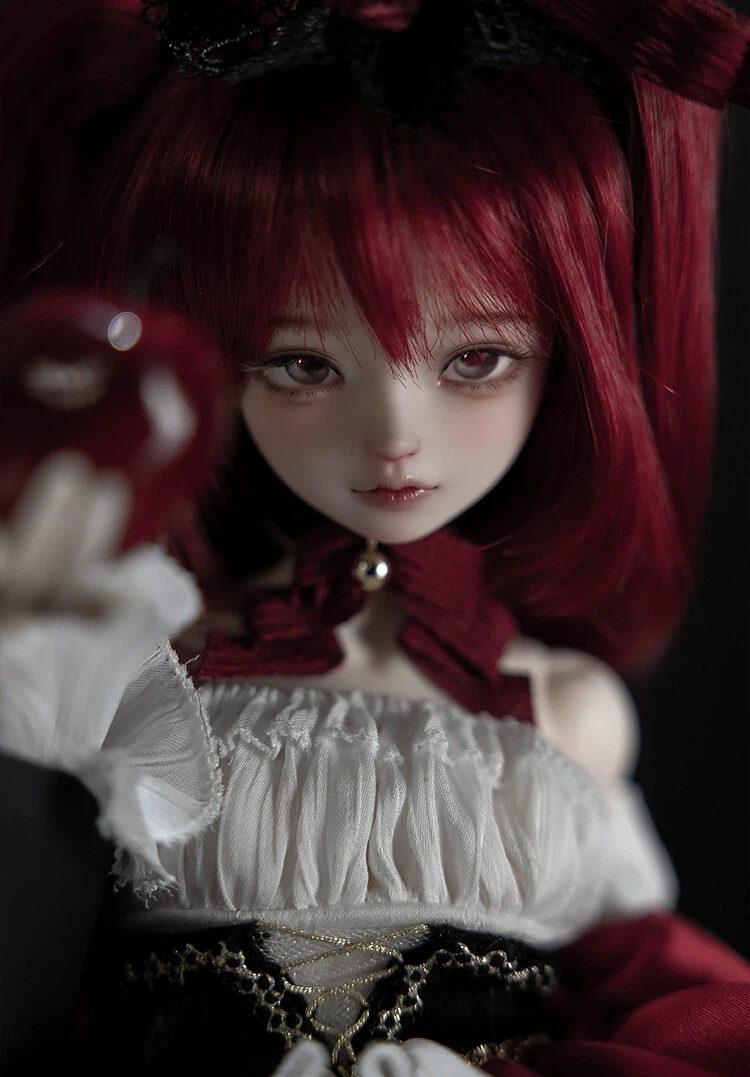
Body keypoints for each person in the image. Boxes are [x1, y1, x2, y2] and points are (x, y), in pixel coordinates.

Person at [1, 1, 750, 1074]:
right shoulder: (140, 677)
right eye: (303, 365)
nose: (395, 437)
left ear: (569, 356)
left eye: (476, 360)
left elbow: (658, 993)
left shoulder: (566, 715)